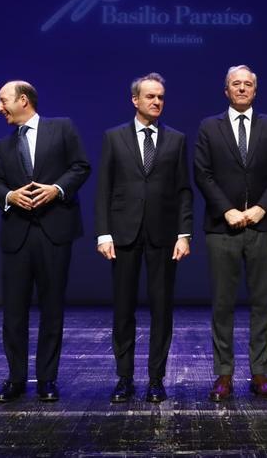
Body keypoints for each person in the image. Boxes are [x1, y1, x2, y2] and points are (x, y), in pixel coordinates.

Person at [0, 81, 90, 403]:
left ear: (23, 100)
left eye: (3, 101)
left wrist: (56, 190)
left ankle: (47, 378)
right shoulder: (3, 146)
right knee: (14, 313)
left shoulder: (61, 128)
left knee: (52, 309)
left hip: (54, 231)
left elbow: (80, 167)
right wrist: (10, 196)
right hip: (17, 235)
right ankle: (15, 378)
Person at [193, 65, 267, 402]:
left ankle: (260, 372)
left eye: (248, 84)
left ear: (255, 90)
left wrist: (262, 207)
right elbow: (202, 173)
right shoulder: (209, 126)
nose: (242, 89)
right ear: (226, 90)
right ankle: (224, 374)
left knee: (262, 302)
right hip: (223, 227)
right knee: (223, 303)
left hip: (262, 224)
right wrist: (227, 209)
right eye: (236, 84)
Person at [95, 72, 193, 404]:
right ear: (135, 100)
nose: (156, 102)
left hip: (164, 236)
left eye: (161, 97)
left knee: (161, 309)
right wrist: (103, 233)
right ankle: (124, 378)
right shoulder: (114, 137)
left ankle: (155, 379)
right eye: (150, 96)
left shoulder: (176, 139)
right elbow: (104, 189)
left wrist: (184, 234)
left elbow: (183, 190)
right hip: (123, 234)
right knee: (123, 310)